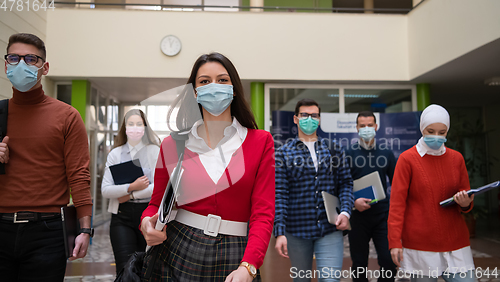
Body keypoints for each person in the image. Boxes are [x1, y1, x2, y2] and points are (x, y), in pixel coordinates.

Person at [140, 52, 275, 282]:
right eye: (204, 81)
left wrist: (249, 266)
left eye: (222, 80)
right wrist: (146, 221)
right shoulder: (173, 144)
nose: (214, 86)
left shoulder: (260, 141)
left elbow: (263, 213)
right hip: (179, 247)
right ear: (195, 92)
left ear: (233, 89)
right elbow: (156, 203)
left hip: (237, 253)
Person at [0, 33, 93, 281]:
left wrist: (85, 229)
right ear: (5, 64)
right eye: (14, 58)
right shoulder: (0, 113)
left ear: (45, 67)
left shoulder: (67, 116)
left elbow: (79, 175)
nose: (21, 64)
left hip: (48, 231)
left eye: (31, 59)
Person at [388, 104, 475, 282]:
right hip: (420, 246)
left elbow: (465, 194)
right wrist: (394, 242)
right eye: (431, 131)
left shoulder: (456, 158)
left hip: (456, 242)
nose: (436, 136)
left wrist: (465, 202)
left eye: (442, 132)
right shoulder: (407, 159)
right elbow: (397, 204)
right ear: (422, 129)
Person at [274, 98, 354, 282]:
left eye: (314, 115)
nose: (309, 119)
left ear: (319, 119)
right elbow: (280, 194)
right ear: (296, 119)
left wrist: (346, 212)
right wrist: (279, 232)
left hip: (329, 228)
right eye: (304, 115)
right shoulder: (283, 153)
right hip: (297, 230)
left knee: (331, 279)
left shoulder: (334, 149)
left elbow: (346, 183)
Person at [101, 109, 160, 274]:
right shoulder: (115, 154)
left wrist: (130, 194)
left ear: (145, 127)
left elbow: (158, 187)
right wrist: (132, 186)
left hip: (148, 214)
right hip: (121, 216)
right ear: (124, 128)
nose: (135, 128)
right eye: (131, 124)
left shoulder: (154, 151)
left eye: (139, 124)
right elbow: (106, 189)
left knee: (147, 268)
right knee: (125, 268)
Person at [345, 111, 397, 282]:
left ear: (376, 127)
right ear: (357, 128)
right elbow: (340, 185)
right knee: (359, 264)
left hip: (382, 216)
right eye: (362, 126)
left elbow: (398, 184)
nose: (366, 129)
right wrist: (353, 202)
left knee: (389, 262)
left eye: (369, 125)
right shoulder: (348, 153)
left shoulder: (386, 153)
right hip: (358, 217)